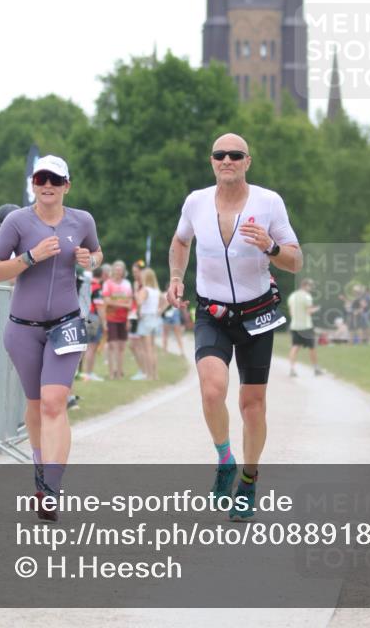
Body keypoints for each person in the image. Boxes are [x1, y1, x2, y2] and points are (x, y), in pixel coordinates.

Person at [167, 132, 302, 519]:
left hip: (257, 313)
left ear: (247, 162)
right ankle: (225, 459)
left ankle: (248, 479)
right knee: (212, 391)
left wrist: (270, 247)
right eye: (220, 154)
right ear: (212, 161)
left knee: (252, 405)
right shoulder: (195, 202)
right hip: (212, 312)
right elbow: (180, 242)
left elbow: (295, 260)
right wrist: (176, 277)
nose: (227, 160)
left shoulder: (269, 202)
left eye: (235, 155)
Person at [0, 155, 102, 518]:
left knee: (55, 402)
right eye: (41, 179)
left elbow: (96, 253)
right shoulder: (17, 221)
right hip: (23, 328)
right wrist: (30, 256)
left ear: (67, 185)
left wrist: (90, 261)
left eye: (55, 180)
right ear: (33, 184)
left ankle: (51, 488)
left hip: (66, 323)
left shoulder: (82, 220)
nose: (48, 185)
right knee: (37, 404)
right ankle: (40, 469)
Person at [102, 261, 133, 379]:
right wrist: (123, 304)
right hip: (111, 318)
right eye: (116, 269)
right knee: (112, 346)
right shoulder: (108, 284)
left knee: (121, 347)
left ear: (123, 271)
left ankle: (119, 373)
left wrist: (128, 319)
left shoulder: (127, 284)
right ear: (113, 270)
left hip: (124, 319)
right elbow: (107, 301)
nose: (118, 272)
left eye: (120, 270)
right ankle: (111, 373)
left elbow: (130, 302)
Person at [287, 278, 324, 376]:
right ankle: (316, 369)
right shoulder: (307, 296)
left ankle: (292, 369)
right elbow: (309, 311)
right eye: (310, 286)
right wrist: (317, 309)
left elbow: (291, 312)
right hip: (306, 327)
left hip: (295, 326)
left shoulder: (293, 296)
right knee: (312, 347)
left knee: (295, 347)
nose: (311, 288)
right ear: (304, 285)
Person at [80, 265, 107, 381]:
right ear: (102, 275)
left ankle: (79, 372)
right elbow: (99, 306)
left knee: (83, 346)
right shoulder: (97, 287)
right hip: (93, 316)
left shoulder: (85, 284)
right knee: (92, 347)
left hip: (83, 315)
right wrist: (104, 323)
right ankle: (89, 373)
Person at [136, 267, 163, 380]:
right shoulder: (156, 291)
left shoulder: (145, 290)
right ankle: (155, 374)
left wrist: (136, 292)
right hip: (154, 319)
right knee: (153, 349)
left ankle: (149, 375)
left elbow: (139, 302)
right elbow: (162, 303)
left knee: (146, 349)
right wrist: (160, 310)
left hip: (146, 318)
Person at [128, 260, 147, 380]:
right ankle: (143, 370)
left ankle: (144, 371)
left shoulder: (144, 285)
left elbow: (140, 301)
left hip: (141, 317)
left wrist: (135, 291)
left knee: (137, 345)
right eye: (133, 272)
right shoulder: (136, 284)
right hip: (134, 316)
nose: (134, 274)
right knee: (133, 345)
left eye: (136, 272)